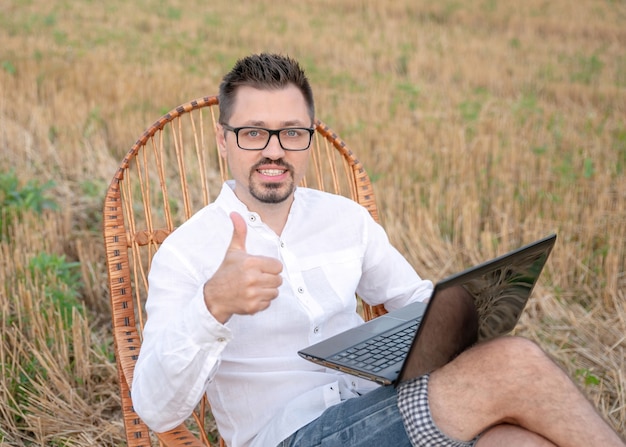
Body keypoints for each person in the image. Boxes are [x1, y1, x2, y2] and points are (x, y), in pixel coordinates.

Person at [131, 53, 624, 447]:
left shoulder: (345, 219)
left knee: (514, 442)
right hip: (291, 436)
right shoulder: (186, 253)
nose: (275, 150)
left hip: (378, 408)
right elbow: (156, 410)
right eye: (254, 132)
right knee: (512, 362)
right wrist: (213, 305)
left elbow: (413, 300)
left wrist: (461, 313)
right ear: (223, 139)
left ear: (310, 137)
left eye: (293, 132)